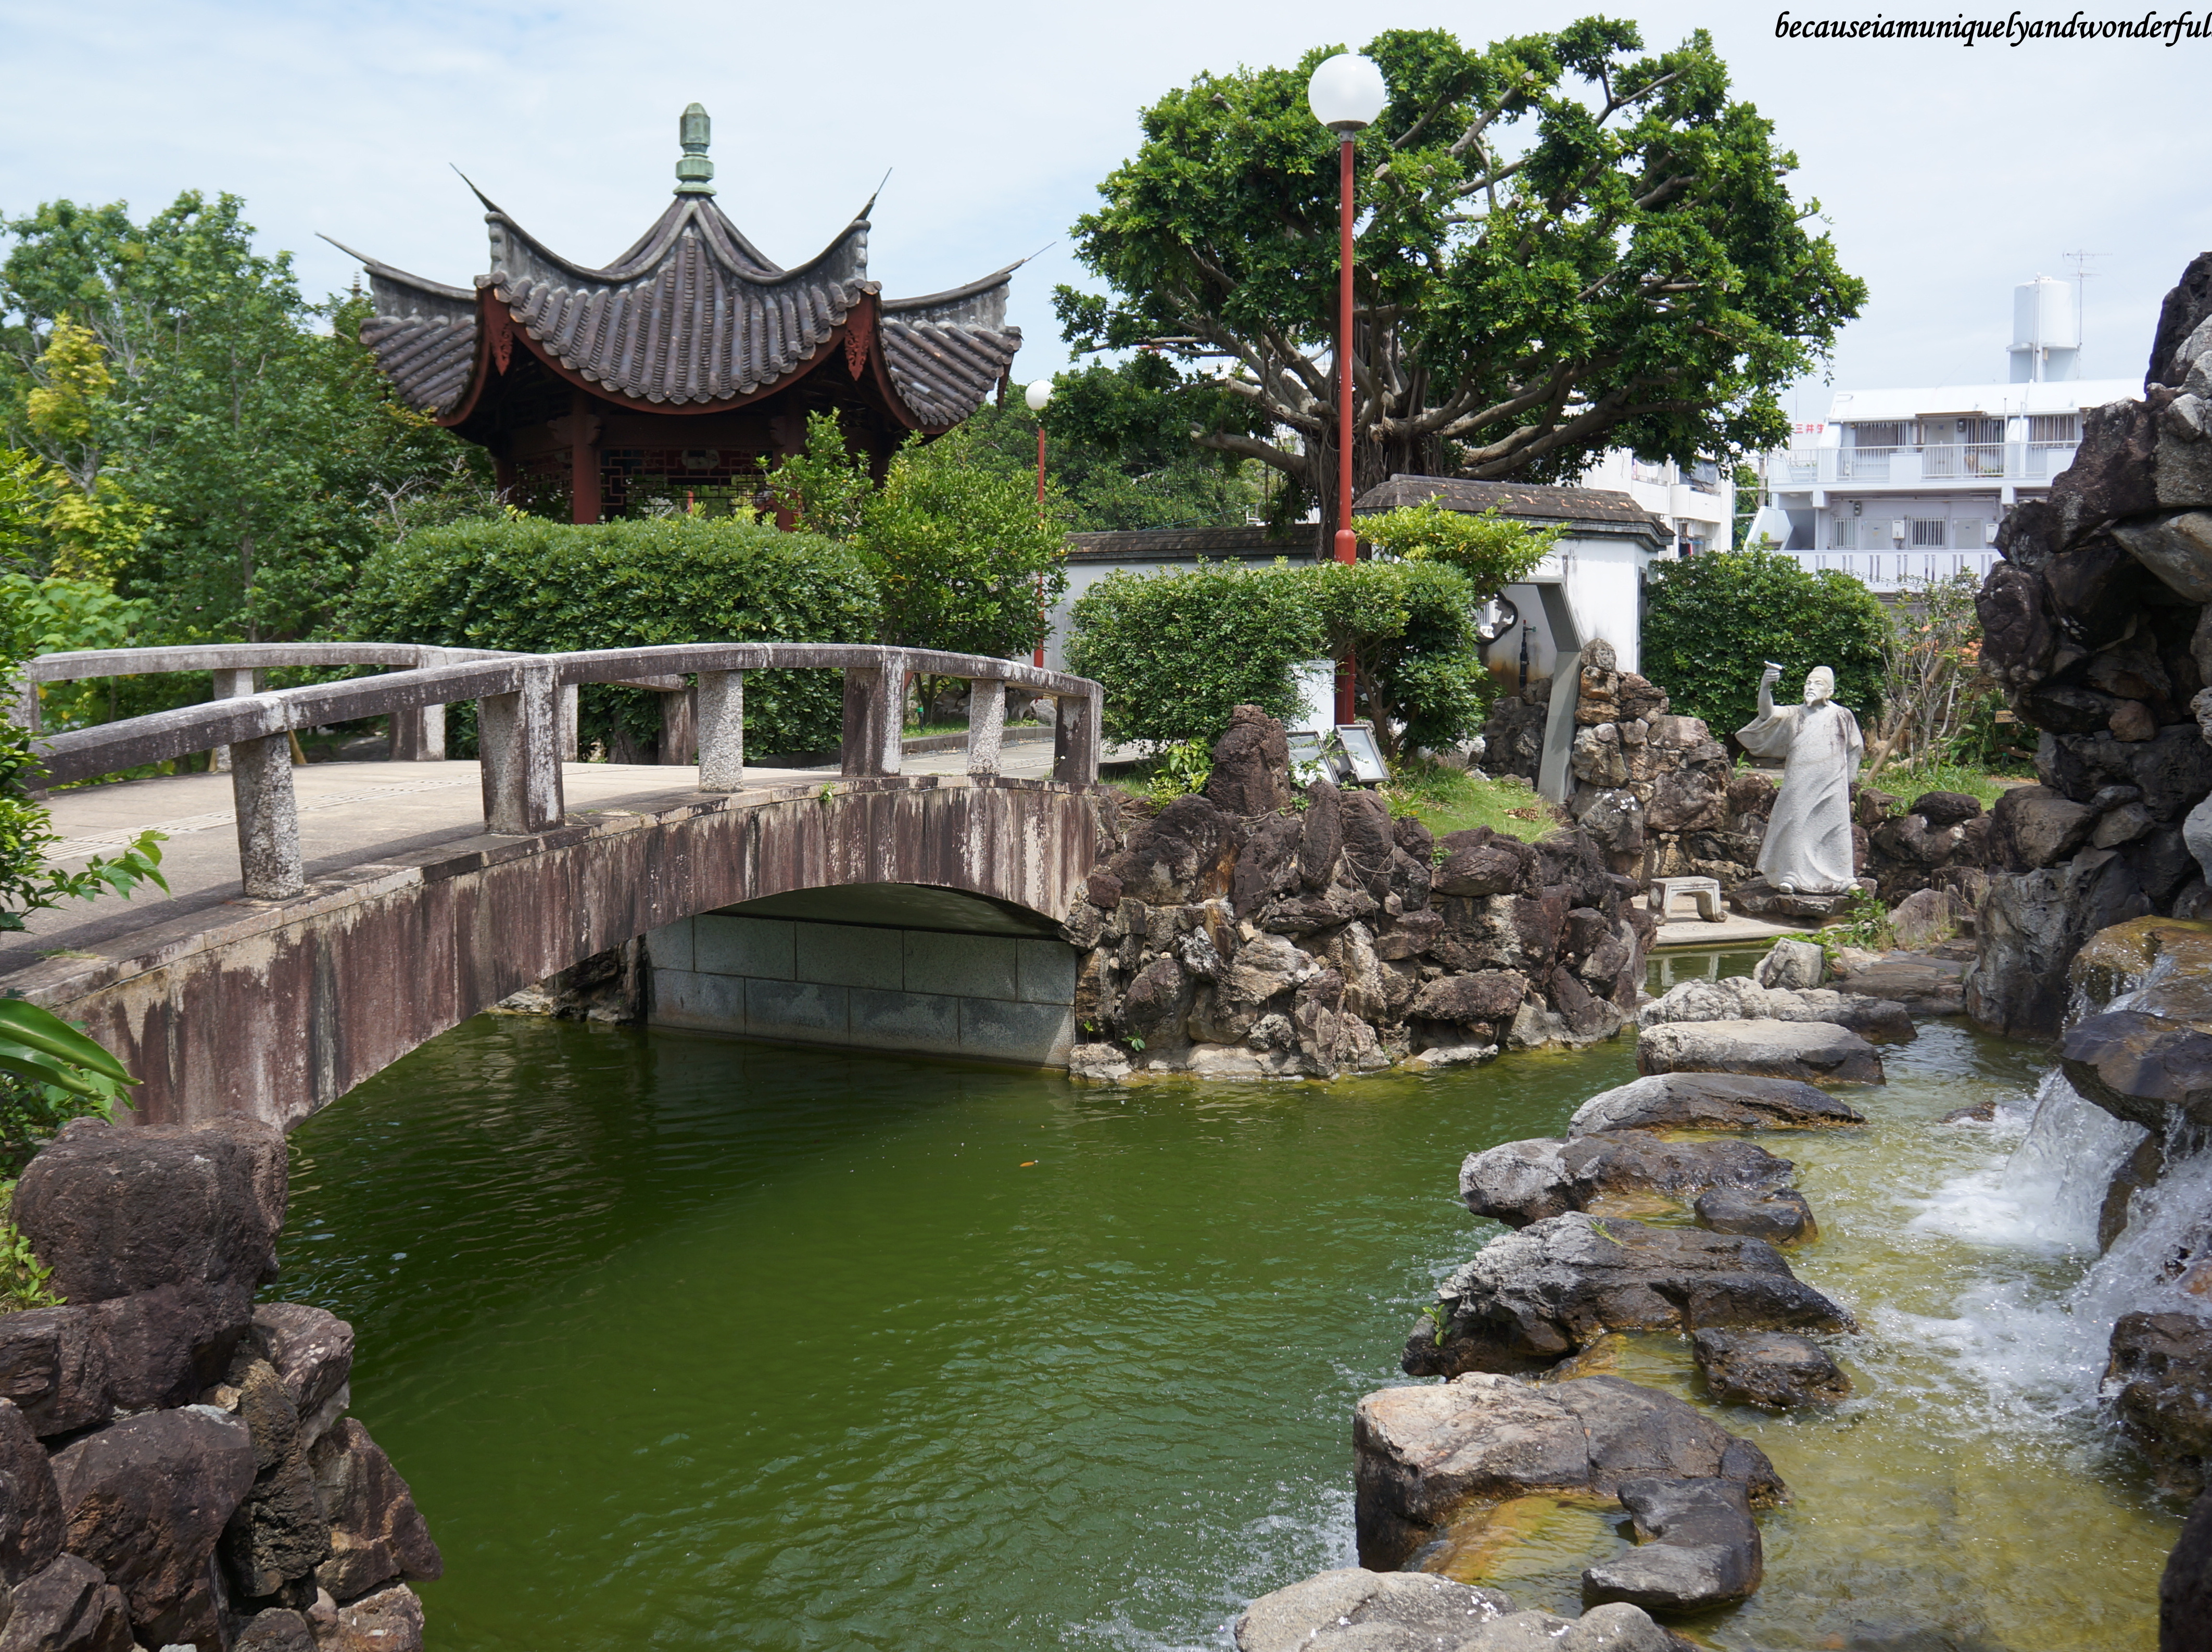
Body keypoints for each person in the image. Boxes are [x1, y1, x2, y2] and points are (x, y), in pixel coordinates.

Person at [1736, 664, 1863, 896]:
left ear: (1830, 692)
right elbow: (1768, 714)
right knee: (1796, 825)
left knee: (1834, 828)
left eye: (1818, 684)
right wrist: (1765, 686)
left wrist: (1848, 781)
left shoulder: (1842, 715)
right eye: (1808, 683)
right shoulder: (1795, 714)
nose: (1811, 688)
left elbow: (1855, 748)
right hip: (1800, 781)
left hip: (1832, 783)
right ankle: (1791, 875)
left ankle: (1843, 878)